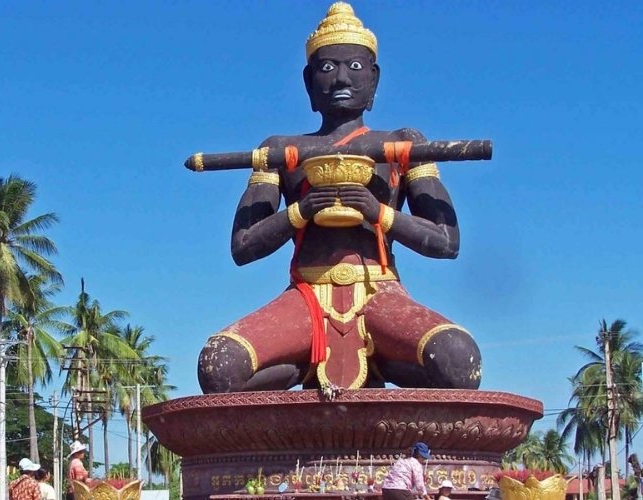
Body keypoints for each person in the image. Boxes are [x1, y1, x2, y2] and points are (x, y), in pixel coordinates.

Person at [197, 1, 481, 394]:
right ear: (308, 82)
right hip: (306, 298)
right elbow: (243, 246)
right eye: (327, 68)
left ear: (375, 80)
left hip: (380, 293)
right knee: (219, 364)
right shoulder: (279, 150)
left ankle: (381, 366)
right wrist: (300, 211)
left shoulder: (403, 144)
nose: (341, 78)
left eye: (356, 67)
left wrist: (378, 212)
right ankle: (302, 368)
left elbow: (447, 242)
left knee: (458, 359)